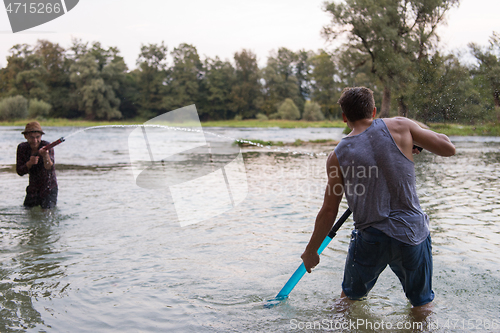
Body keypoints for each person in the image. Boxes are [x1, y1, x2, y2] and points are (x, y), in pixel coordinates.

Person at [301, 87, 455, 311]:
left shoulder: (336, 156)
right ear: (374, 111)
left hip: (371, 236)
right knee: (422, 305)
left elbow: (328, 210)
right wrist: (414, 134)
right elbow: (448, 148)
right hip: (412, 233)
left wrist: (311, 251)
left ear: (345, 117)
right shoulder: (402, 126)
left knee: (348, 302)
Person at [16, 121, 58, 209]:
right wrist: (29, 163)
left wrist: (45, 155)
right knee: (27, 212)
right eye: (31, 138)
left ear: (41, 136)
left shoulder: (47, 146)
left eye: (37, 137)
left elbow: (49, 167)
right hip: (33, 189)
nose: (35, 141)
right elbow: (20, 171)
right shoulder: (22, 148)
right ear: (25, 136)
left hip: (49, 188)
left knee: (46, 213)